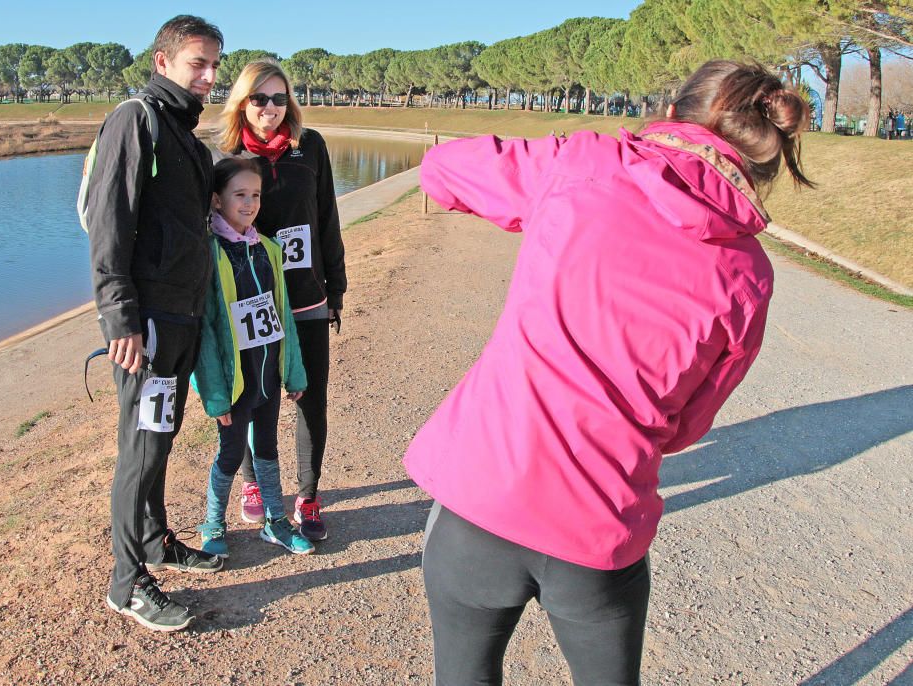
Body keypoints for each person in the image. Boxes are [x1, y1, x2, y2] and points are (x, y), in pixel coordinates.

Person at [403, 60, 813, 684]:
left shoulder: (585, 164)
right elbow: (688, 424)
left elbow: (441, 171)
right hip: (600, 523)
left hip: (481, 497)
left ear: (672, 115)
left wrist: (540, 203)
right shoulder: (748, 273)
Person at [86, 15, 224, 632]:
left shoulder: (186, 137)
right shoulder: (134, 119)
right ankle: (126, 581)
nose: (210, 76)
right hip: (146, 325)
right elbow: (108, 221)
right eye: (199, 63)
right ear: (163, 61)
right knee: (140, 449)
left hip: (181, 318)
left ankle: (155, 541)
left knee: (160, 437)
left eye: (216, 64)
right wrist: (120, 318)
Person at [216, 59, 346, 541]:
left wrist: (336, 288)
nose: (269, 108)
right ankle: (252, 484)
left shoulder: (309, 147)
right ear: (242, 103)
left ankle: (308, 494)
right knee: (249, 397)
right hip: (251, 301)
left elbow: (327, 217)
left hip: (306, 297)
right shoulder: (226, 156)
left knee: (311, 398)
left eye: (278, 98)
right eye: (258, 98)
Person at [191, 158, 313, 557]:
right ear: (216, 200)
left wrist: (292, 372)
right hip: (234, 382)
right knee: (229, 451)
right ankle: (212, 522)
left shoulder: (269, 250)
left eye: (255, 195)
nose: (249, 203)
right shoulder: (209, 254)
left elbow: (284, 319)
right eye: (239, 195)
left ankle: (275, 522)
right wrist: (214, 395)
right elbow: (205, 331)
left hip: (268, 377)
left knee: (267, 446)